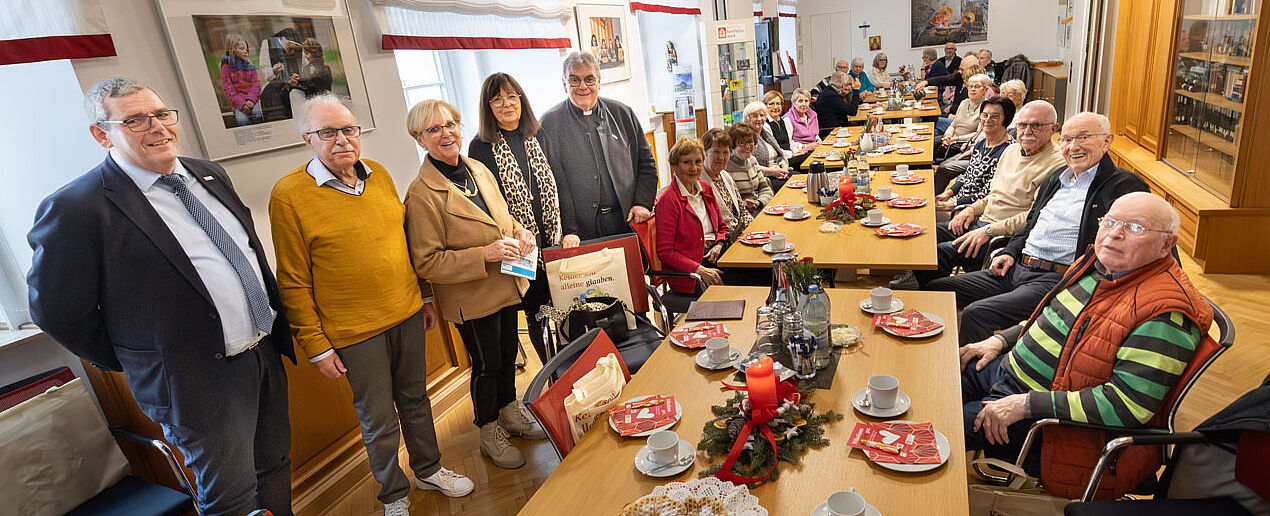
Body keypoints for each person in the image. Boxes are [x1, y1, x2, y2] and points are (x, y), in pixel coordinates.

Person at [27, 77, 294, 515]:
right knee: (230, 495)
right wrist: (138, 358)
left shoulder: (209, 173)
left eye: (161, 114)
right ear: (101, 134)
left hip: (262, 352)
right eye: (134, 120)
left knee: (275, 466)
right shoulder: (77, 207)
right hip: (194, 381)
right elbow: (57, 311)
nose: (157, 127)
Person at [269, 95, 474, 516]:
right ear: (308, 139)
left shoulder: (378, 175)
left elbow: (404, 244)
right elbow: (292, 280)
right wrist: (316, 346)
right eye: (328, 132)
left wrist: (425, 296)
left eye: (349, 129)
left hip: (407, 314)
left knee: (416, 401)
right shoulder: (288, 196)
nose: (342, 140)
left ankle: (429, 469)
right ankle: (394, 495)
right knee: (377, 418)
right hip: (352, 333)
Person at [959, 192, 1212, 497]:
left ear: (1166, 245)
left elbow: (1127, 405)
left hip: (1046, 420)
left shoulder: (1165, 313)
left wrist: (1025, 404)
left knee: (935, 426)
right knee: (928, 382)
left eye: (1135, 228)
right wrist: (999, 340)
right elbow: (1056, 319)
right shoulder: (1099, 265)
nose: (1115, 234)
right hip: (1007, 370)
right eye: (1111, 222)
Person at [928, 112, 1150, 346]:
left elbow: (1132, 247)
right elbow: (1032, 222)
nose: (1073, 146)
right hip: (1018, 267)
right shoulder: (1057, 178)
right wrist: (1010, 252)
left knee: (977, 313)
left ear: (1107, 141)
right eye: (1067, 139)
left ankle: (973, 368)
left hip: (1057, 279)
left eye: (1084, 137)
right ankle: (934, 354)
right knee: (936, 290)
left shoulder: (1123, 185)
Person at [404, 99, 538, 470]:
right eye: (434, 129)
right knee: (486, 365)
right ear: (420, 139)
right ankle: (489, 430)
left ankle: (510, 412)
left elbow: (503, 218)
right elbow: (427, 262)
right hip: (471, 298)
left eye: (450, 124)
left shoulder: (477, 168)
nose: (446, 133)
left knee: (508, 355)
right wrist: (484, 254)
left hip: (507, 284)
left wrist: (521, 233)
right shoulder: (421, 194)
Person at [468, 72, 580, 364]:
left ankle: (573, 363)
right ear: (488, 107)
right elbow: (487, 205)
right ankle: (552, 370)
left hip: (555, 240)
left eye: (511, 96)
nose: (506, 104)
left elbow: (561, 183)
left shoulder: (538, 134)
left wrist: (571, 230)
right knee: (536, 313)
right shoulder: (480, 147)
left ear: (521, 100)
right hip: (519, 248)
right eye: (497, 99)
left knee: (567, 307)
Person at [893, 101, 1065, 290]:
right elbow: (994, 194)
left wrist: (989, 230)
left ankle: (929, 293)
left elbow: (1033, 218)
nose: (1027, 131)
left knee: (939, 253)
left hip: (1002, 235)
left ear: (1053, 129)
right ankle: (923, 285)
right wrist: (971, 209)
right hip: (981, 222)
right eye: (1022, 125)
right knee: (924, 235)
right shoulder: (1011, 151)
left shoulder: (1057, 165)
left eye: (1036, 125)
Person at [540, 51, 657, 240]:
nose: (582, 86)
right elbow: (549, 184)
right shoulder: (548, 124)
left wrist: (642, 203)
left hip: (626, 220)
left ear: (599, 81)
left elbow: (646, 164)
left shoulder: (623, 114)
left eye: (589, 79)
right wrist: (570, 230)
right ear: (564, 84)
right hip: (580, 231)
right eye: (574, 80)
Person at [655, 137, 728, 299]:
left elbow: (722, 227)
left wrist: (719, 244)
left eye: (698, 162)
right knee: (740, 285)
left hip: (716, 256)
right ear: (674, 166)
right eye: (687, 162)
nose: (694, 168)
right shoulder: (668, 201)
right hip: (690, 273)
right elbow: (665, 252)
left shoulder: (706, 189)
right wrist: (699, 269)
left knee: (758, 272)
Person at [934, 96, 1016, 211]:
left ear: (1006, 119)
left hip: (975, 209)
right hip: (959, 200)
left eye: (995, 116)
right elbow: (968, 175)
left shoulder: (1009, 151)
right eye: (984, 115)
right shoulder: (981, 143)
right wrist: (948, 193)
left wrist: (953, 204)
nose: (987, 120)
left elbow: (989, 193)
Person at [701, 128, 752, 236]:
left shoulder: (725, 176)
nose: (721, 157)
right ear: (704, 153)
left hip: (740, 234)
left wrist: (754, 231)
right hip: (721, 239)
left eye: (725, 152)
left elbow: (743, 212)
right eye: (716, 152)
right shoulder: (698, 183)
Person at [934, 72, 991, 161]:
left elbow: (978, 134)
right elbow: (953, 125)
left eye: (977, 86)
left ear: (985, 89)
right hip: (951, 139)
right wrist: (947, 136)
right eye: (970, 86)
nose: (973, 89)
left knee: (933, 152)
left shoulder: (987, 108)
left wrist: (954, 139)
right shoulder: (964, 103)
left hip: (962, 143)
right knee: (928, 143)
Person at [725, 124, 775, 215]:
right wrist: (743, 205)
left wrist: (759, 202)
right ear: (732, 146)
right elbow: (727, 201)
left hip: (759, 208)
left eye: (750, 141)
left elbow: (765, 188)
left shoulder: (752, 161)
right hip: (740, 213)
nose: (748, 146)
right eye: (741, 143)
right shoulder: (725, 167)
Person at [742, 101, 790, 189]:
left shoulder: (766, 134)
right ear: (747, 119)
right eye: (755, 116)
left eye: (762, 115)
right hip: (765, 178)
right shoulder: (747, 138)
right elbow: (749, 166)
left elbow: (781, 155)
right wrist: (772, 172)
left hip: (780, 171)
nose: (759, 119)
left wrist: (784, 167)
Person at [220, 34, 262, 126]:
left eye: (246, 49)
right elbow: (228, 88)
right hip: (238, 102)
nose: (245, 52)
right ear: (233, 50)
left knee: (258, 114)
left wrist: (251, 100)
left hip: (253, 99)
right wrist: (241, 104)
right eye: (241, 49)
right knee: (242, 120)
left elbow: (256, 84)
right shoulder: (227, 66)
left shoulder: (249, 65)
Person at [812, 71, 861, 137]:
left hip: (836, 128)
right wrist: (856, 91)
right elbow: (852, 111)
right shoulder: (831, 95)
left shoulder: (829, 91)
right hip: (830, 131)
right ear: (843, 84)